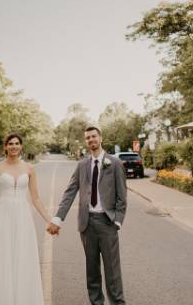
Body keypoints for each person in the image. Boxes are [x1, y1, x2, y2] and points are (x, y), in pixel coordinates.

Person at [48, 126, 127, 305]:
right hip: (87, 224)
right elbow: (70, 192)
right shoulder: (82, 165)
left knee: (112, 272)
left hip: (107, 223)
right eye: (87, 138)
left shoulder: (114, 163)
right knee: (92, 270)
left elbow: (122, 196)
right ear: (86, 141)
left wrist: (118, 222)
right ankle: (96, 302)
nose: (91, 140)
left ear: (101, 138)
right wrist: (58, 218)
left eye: (93, 136)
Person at [0, 134, 52, 305]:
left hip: (22, 216)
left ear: (21, 146)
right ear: (5, 147)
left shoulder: (29, 169)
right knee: (4, 256)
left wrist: (49, 220)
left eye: (17, 143)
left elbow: (35, 198)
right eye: (10, 144)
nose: (13, 146)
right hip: (2, 216)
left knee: (22, 256)